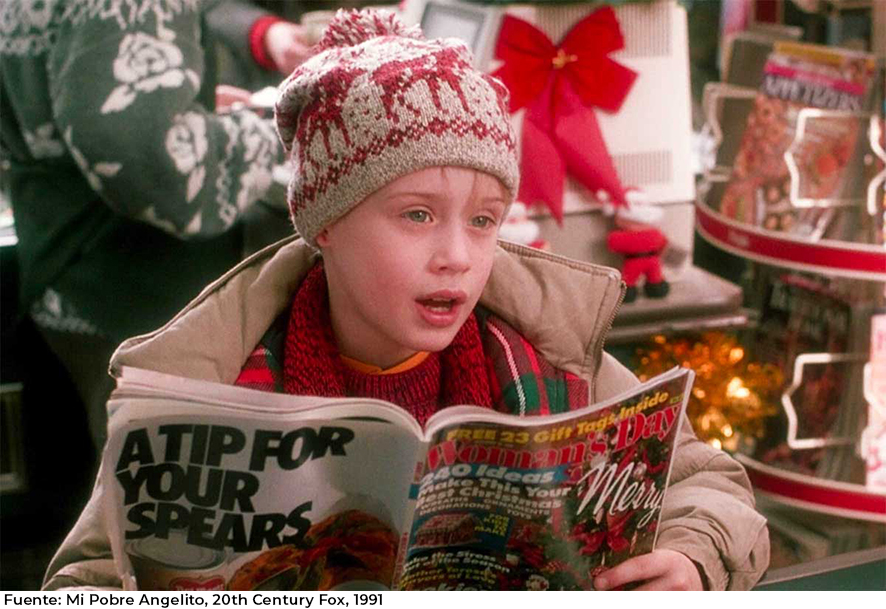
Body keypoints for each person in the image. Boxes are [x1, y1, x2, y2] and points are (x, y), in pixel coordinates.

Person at [42, 9, 769, 591]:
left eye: (483, 220)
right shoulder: (203, 383)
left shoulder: (554, 357)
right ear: (326, 221)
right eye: (417, 214)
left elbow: (711, 484)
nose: (458, 255)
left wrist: (693, 556)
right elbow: (83, 578)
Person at [0, 0, 309, 454]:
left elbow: (84, 92)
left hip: (64, 264)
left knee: (119, 467)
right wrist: (280, 130)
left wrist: (174, 108)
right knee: (164, 480)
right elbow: (163, 172)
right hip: (128, 287)